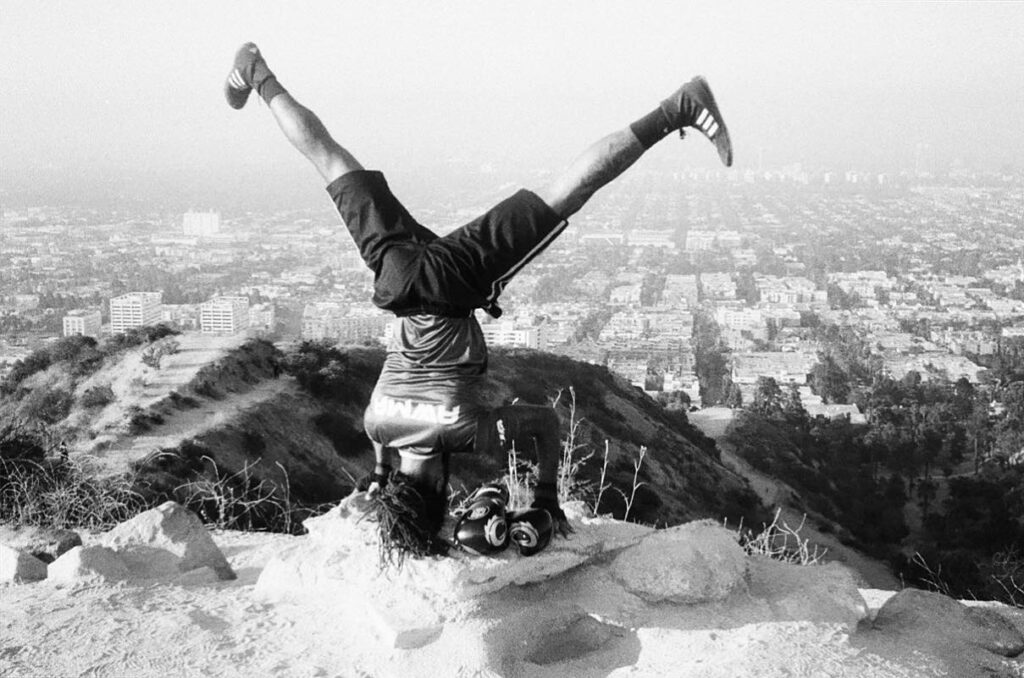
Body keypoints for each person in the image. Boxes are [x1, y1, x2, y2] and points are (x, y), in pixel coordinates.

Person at [224, 42, 732, 560]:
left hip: (452, 286)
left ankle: (677, 108)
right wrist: (378, 476)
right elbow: (383, 439)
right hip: (397, 280)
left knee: (566, 194)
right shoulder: (376, 423)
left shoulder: (466, 435)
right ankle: (258, 74)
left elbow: (544, 423)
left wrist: (548, 498)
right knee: (329, 158)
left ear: (441, 491)